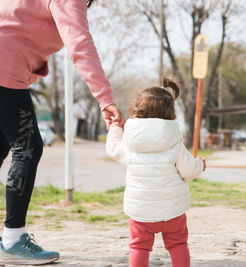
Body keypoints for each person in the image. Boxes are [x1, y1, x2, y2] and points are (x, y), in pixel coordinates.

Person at [0, 0, 124, 264]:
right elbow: (80, 44)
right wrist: (105, 98)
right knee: (28, 146)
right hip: (4, 68)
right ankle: (12, 239)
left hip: (7, 68)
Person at [106, 78, 206, 267]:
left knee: (139, 248)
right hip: (172, 211)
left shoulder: (130, 139)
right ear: (170, 113)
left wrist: (115, 128)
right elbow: (188, 170)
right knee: (178, 244)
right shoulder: (174, 139)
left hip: (141, 211)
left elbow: (113, 149)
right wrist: (200, 164)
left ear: (137, 110)